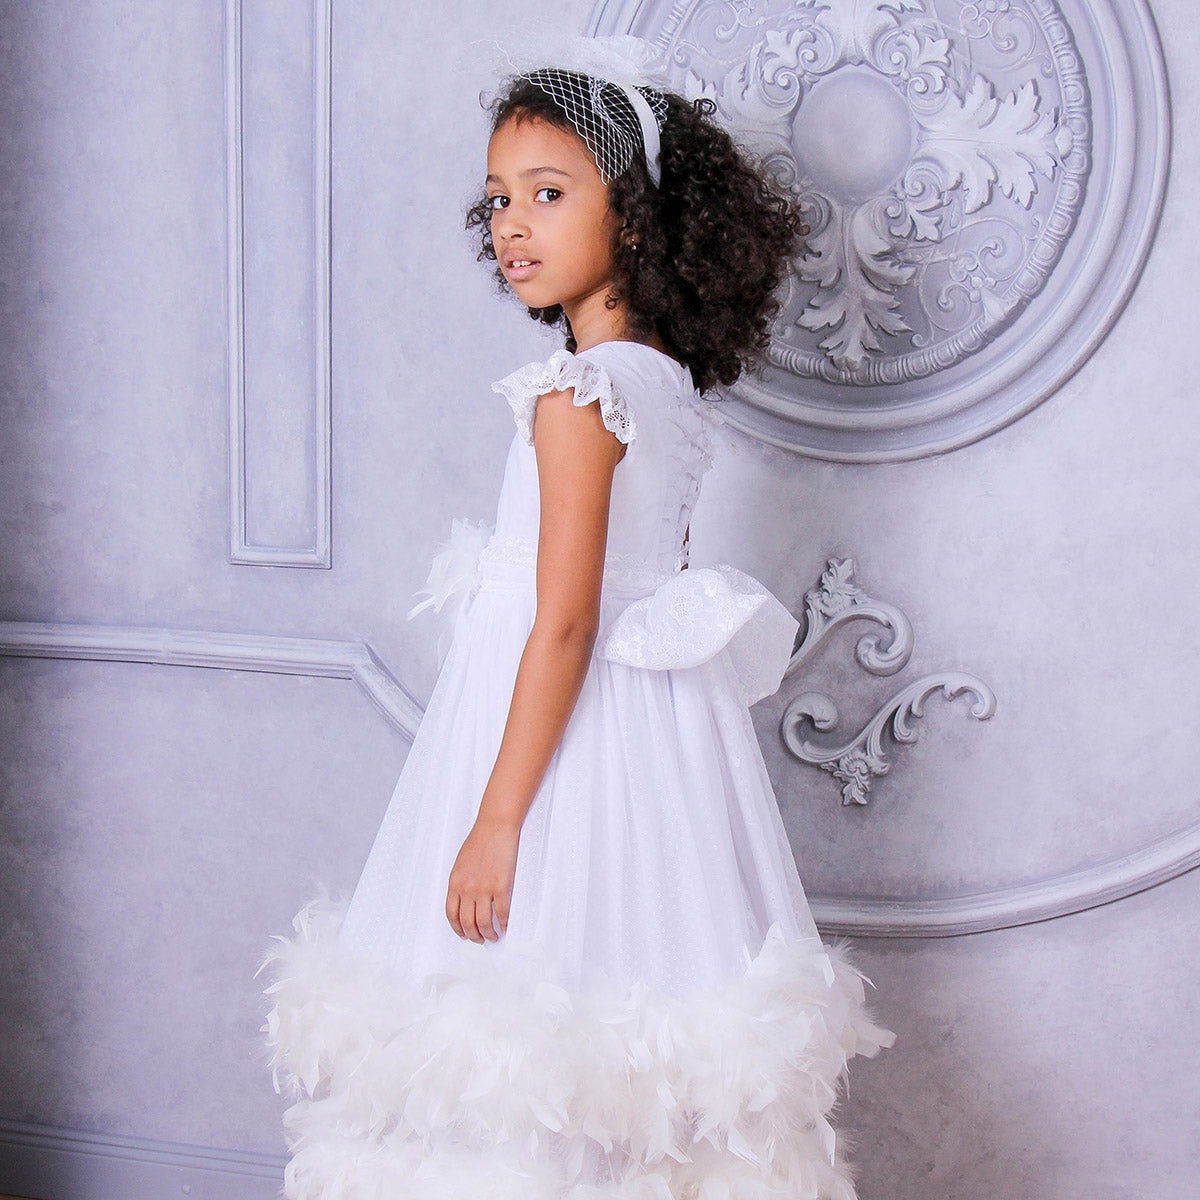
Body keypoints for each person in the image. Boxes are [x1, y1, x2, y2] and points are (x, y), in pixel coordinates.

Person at [259, 32, 895, 1200]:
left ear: (637, 221)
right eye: (499, 198)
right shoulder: (670, 390)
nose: (512, 224)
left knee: (516, 1028)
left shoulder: (577, 393)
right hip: (650, 755)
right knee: (636, 1019)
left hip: (554, 749)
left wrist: (497, 821)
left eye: (548, 194)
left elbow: (563, 625)